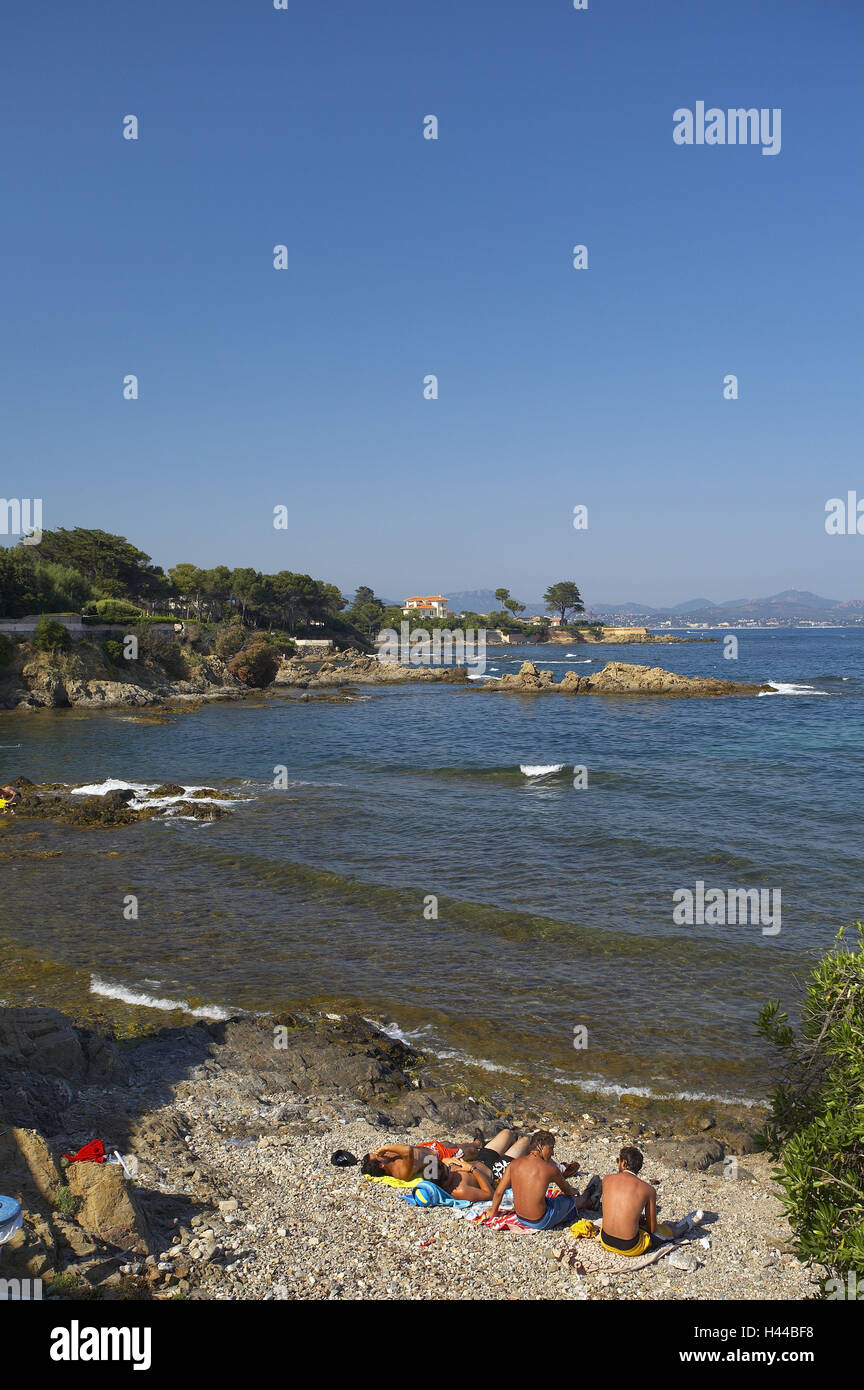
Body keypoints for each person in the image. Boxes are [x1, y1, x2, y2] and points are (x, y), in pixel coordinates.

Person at [487, 1130, 585, 1230]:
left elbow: (499, 1192)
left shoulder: (513, 1164)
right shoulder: (550, 1168)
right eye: (551, 1148)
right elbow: (567, 1190)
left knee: (548, 1200)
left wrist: (493, 1212)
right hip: (540, 1221)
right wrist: (575, 1191)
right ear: (541, 1146)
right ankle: (588, 1201)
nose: (553, 1153)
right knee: (569, 1200)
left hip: (520, 1217)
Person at [599, 1145, 661, 1256]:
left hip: (605, 1239)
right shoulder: (648, 1189)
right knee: (661, 1233)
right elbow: (652, 1229)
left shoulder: (606, 1179)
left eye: (618, 1161)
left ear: (624, 1163)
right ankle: (684, 1227)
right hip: (629, 1246)